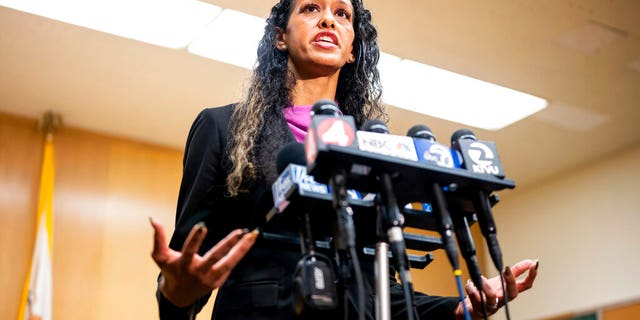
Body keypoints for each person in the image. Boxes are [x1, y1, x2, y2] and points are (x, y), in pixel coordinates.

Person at [149, 0, 539, 319]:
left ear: (353, 49)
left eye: (342, 14)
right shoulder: (222, 127)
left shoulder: (369, 147)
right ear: (280, 37)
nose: (327, 20)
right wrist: (177, 294)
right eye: (310, 8)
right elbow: (189, 268)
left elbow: (380, 287)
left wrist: (460, 306)